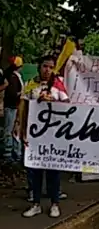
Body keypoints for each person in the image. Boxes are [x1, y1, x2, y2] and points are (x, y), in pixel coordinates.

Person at [21, 55, 68, 219]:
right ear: (39, 67)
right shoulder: (30, 85)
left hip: (53, 135)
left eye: (50, 67)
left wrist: (52, 102)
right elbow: (24, 108)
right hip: (35, 135)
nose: (47, 70)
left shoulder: (57, 85)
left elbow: (68, 106)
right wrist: (22, 131)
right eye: (44, 66)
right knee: (35, 171)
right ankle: (36, 204)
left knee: (53, 170)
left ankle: (55, 203)